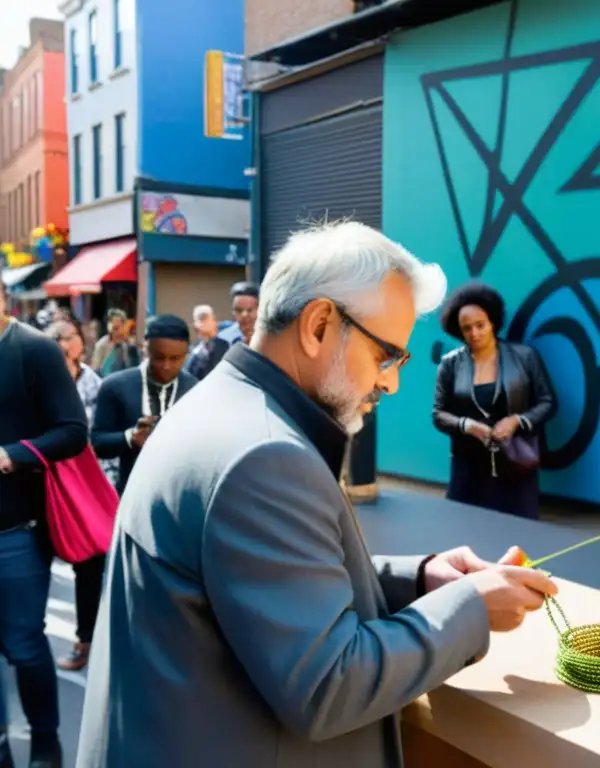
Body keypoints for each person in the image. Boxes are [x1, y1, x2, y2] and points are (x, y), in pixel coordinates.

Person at [76, 221, 557, 768]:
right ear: (319, 324)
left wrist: (418, 578)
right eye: (386, 356)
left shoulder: (225, 407)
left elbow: (267, 579)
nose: (392, 382)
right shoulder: (263, 454)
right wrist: (469, 606)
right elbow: (330, 684)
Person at [0, 282, 88, 768]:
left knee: (25, 646)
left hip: (18, 531)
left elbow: (74, 432)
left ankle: (46, 742)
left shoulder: (32, 351)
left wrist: (9, 456)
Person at [432, 282, 557, 519]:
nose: (474, 334)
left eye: (480, 325)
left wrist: (517, 421)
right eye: (466, 328)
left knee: (519, 538)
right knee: (465, 534)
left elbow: (548, 402)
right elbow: (438, 413)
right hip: (467, 470)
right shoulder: (450, 364)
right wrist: (467, 426)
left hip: (516, 468)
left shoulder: (524, 357)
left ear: (493, 322)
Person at [47, 320, 110, 672]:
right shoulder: (39, 382)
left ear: (78, 344)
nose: (59, 343)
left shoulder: (94, 383)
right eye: (53, 338)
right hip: (51, 482)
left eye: (65, 337)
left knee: (90, 565)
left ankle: (86, 641)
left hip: (91, 482)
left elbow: (97, 434)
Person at [90, 314, 198, 495]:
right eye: (159, 357)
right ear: (145, 348)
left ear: (187, 353)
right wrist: (131, 437)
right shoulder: (115, 386)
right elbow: (98, 443)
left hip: (181, 498)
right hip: (130, 497)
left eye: (176, 358)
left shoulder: (196, 390)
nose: (166, 365)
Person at [184, 304, 229, 380]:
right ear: (195, 326)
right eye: (201, 320)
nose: (203, 324)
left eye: (206, 319)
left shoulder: (225, 345)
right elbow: (190, 374)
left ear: (214, 322)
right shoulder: (194, 352)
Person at [90, 309, 140, 376]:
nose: (119, 332)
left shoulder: (127, 346)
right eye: (115, 328)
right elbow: (94, 370)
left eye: (121, 327)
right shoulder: (101, 345)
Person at [217, 281, 259, 346]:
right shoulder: (222, 339)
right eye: (239, 310)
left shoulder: (270, 338)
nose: (244, 315)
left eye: (249, 310)